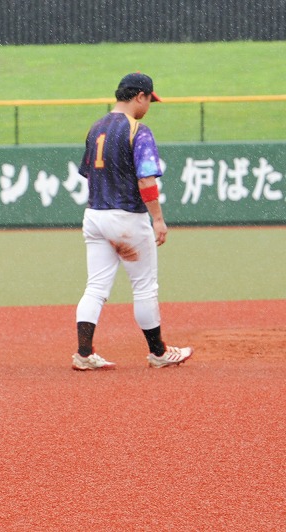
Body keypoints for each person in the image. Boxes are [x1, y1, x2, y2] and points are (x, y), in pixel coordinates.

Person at [71, 72, 193, 371]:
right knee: (144, 288)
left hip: (94, 215)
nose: (149, 106)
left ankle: (84, 354)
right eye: (149, 99)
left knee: (95, 287)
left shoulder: (96, 127)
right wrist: (158, 219)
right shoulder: (138, 130)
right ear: (139, 96)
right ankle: (158, 353)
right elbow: (146, 179)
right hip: (127, 217)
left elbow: (89, 173)